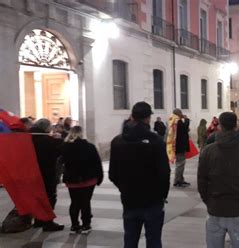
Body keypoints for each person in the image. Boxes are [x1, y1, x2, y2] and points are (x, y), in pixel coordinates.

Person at [109, 102, 171, 248]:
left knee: (130, 240)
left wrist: (125, 188)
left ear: (132, 116)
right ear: (148, 118)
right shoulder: (155, 141)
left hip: (130, 200)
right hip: (153, 201)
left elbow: (113, 174)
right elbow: (164, 173)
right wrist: (162, 195)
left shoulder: (117, 141)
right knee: (154, 240)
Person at [198, 112, 239, 248]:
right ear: (236, 126)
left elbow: (202, 182)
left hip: (216, 209)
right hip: (238, 210)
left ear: (219, 125)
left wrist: (209, 201)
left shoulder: (208, 152)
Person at [62, 126, 103, 234]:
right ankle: (86, 224)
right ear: (82, 133)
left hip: (72, 180)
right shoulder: (89, 146)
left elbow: (61, 161)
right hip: (88, 179)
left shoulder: (65, 147)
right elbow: (97, 162)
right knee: (85, 202)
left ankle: (74, 225)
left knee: (74, 202)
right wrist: (100, 177)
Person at [30, 118, 65, 232]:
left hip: (33, 172)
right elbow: (58, 152)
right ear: (45, 128)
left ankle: (38, 220)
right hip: (47, 172)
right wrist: (59, 140)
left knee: (37, 197)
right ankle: (48, 222)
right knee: (49, 197)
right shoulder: (47, 140)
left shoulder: (29, 138)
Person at [167, 109, 191, 188]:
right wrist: (187, 120)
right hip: (179, 146)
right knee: (180, 164)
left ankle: (180, 179)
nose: (182, 114)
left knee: (181, 163)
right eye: (180, 112)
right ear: (178, 113)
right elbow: (184, 128)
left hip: (177, 145)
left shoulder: (173, 120)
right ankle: (177, 180)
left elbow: (181, 131)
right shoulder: (178, 121)